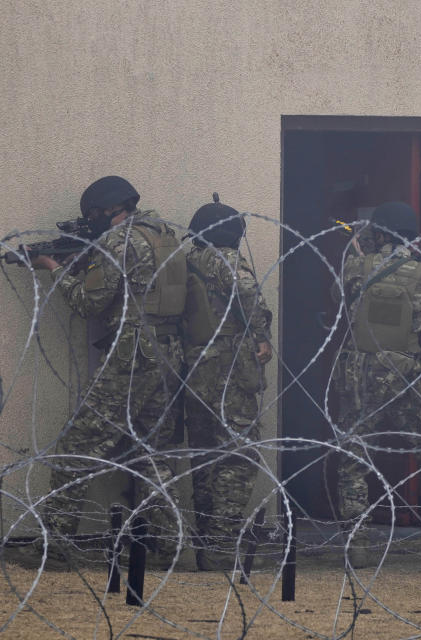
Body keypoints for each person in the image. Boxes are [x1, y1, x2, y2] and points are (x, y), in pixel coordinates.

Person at [31, 176, 188, 560]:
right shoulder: (163, 233)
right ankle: (169, 547)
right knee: (154, 452)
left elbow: (89, 303)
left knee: (78, 448)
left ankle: (56, 545)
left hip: (133, 353)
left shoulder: (118, 241)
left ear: (107, 210)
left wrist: (54, 269)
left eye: (94, 216)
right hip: (168, 352)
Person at [331, 201, 421, 566]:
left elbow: (336, 301)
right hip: (404, 371)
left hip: (360, 370)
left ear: (379, 232)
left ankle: (357, 545)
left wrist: (361, 250)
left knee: (354, 457)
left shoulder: (356, 266)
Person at [182, 195, 273, 571]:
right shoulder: (227, 260)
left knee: (204, 455)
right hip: (230, 367)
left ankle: (205, 541)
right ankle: (221, 545)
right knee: (238, 455)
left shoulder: (186, 261)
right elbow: (248, 293)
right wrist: (262, 333)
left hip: (194, 365)